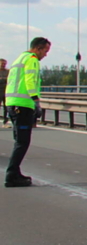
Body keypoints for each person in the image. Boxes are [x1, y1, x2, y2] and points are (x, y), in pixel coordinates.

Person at [5, 38, 50, 187]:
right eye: (45, 51)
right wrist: (36, 101)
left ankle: (15, 172)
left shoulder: (20, 58)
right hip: (23, 105)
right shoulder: (32, 60)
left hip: (12, 103)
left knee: (19, 141)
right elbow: (30, 80)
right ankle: (12, 176)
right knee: (22, 142)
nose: (45, 55)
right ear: (37, 48)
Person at [0, 58, 9, 127]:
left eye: (4, 64)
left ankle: (5, 121)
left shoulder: (8, 71)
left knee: (6, 108)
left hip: (6, 92)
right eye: (2, 64)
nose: (3, 65)